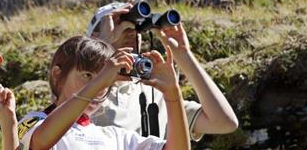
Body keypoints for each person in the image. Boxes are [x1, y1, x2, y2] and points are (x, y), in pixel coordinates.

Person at [85, 0, 238, 140]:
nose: (131, 31)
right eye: (119, 23)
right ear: (94, 36)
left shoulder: (155, 93)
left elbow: (224, 122)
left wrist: (184, 54)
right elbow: (65, 116)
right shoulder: (80, 88)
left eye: (136, 27)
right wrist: (101, 45)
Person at [18, 36, 190, 150]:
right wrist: (102, 79)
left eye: (107, 79)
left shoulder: (116, 137)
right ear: (57, 74)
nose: (101, 87)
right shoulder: (32, 121)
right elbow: (42, 140)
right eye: (87, 75)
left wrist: (172, 93)